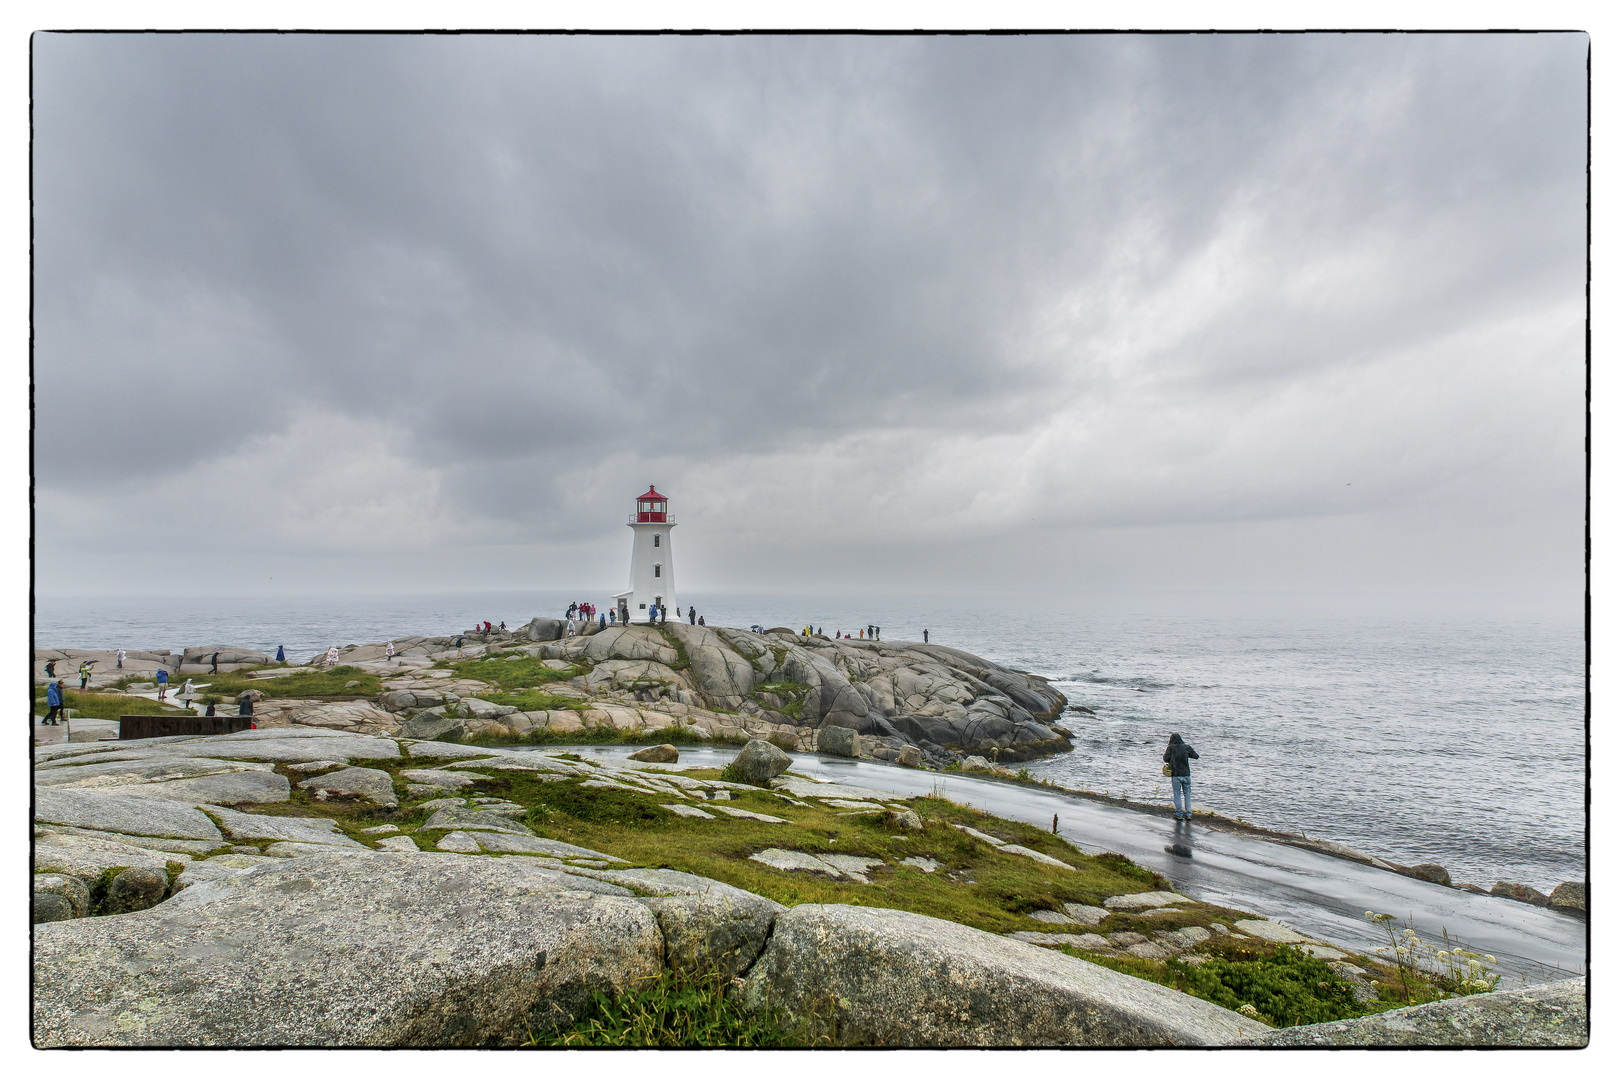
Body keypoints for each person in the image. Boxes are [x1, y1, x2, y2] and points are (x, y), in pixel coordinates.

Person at [1164, 733, 1200, 822]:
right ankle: (1188, 814)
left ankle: (1179, 814)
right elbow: (1196, 756)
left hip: (1176, 775)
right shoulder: (1187, 747)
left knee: (1177, 794)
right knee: (1187, 794)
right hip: (1186, 774)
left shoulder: (1171, 747)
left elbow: (1165, 758)